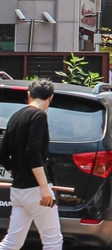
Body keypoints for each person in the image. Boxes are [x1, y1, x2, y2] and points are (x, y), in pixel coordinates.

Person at [0, 79, 63, 250]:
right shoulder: (39, 116)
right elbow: (33, 151)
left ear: (29, 94)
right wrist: (44, 187)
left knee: (12, 241)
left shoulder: (15, 117)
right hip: (36, 190)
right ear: (50, 97)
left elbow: (3, 153)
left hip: (19, 190)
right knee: (53, 240)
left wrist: (17, 171)